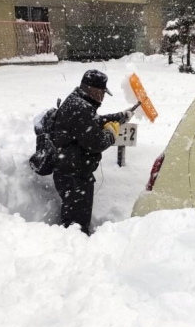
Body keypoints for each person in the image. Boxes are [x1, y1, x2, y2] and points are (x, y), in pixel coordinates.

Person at [51, 70, 134, 235]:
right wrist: (111, 134)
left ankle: (72, 241)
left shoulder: (79, 102)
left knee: (73, 218)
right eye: (102, 93)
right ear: (93, 90)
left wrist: (121, 116)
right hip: (74, 175)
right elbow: (96, 143)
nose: (103, 97)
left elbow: (94, 122)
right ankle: (75, 247)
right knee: (76, 224)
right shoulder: (81, 108)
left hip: (70, 170)